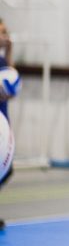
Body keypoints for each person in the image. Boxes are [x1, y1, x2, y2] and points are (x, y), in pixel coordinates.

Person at [0, 19, 15, 231]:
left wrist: (10, 49)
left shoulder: (2, 59)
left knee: (7, 169)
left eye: (5, 31)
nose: (3, 35)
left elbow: (12, 78)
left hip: (3, 120)